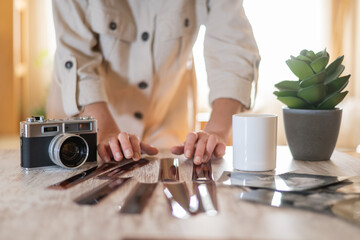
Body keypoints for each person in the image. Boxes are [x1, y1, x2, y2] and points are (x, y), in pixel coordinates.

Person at [46, 0, 260, 165]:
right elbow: (77, 52)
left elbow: (232, 47)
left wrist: (218, 130)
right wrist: (104, 129)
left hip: (166, 112)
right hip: (87, 116)